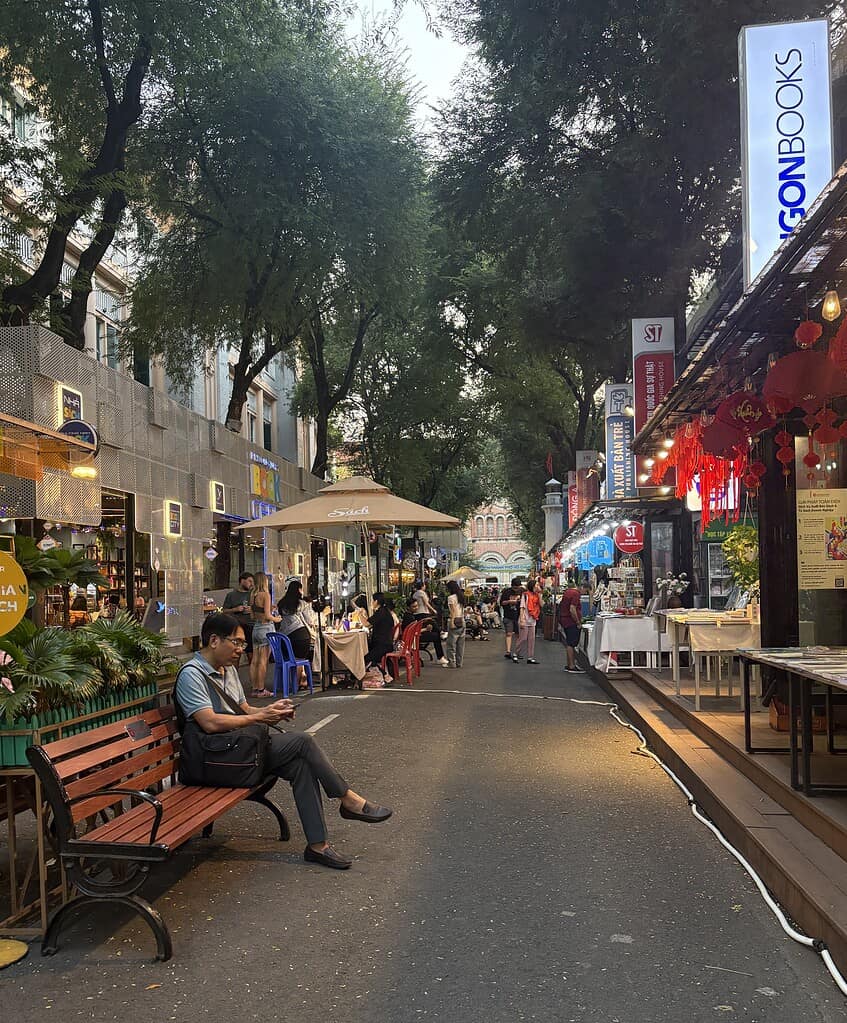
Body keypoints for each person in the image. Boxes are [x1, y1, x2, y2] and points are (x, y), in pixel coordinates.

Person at [175, 613, 391, 870]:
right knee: (301, 742)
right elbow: (209, 722)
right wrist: (261, 717)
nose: (241, 650)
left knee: (301, 765)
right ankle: (349, 800)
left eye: (243, 644)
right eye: (236, 642)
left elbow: (243, 709)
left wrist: (271, 711)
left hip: (237, 752)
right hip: (212, 760)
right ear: (213, 640)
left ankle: (317, 846)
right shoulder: (192, 674)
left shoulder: (228, 670)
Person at [277, 579, 313, 690]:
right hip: (301, 636)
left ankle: (301, 680)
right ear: (299, 589)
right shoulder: (302, 603)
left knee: (293, 658)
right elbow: (309, 620)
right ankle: (297, 684)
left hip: (283, 639)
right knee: (300, 659)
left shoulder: (281, 603)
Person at [248, 571, 275, 698]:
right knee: (263, 661)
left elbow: (252, 615)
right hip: (266, 628)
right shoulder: (266, 595)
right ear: (264, 581)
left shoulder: (253, 595)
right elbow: (268, 616)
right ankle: (261, 689)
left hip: (256, 628)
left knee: (254, 661)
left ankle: (254, 689)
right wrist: (277, 619)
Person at [403, 597, 448, 665]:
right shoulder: (408, 617)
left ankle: (441, 633)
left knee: (431, 622)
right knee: (436, 636)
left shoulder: (410, 615)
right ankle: (440, 657)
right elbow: (413, 631)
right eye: (414, 606)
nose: (416, 608)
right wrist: (425, 629)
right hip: (413, 638)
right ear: (408, 607)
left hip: (415, 635)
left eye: (417, 606)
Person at [222, 573, 255, 664]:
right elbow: (224, 611)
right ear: (242, 581)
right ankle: (235, 675)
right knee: (236, 653)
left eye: (252, 582)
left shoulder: (253, 594)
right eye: (249, 581)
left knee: (250, 652)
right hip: (237, 627)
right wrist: (235, 609)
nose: (251, 584)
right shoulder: (231, 595)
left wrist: (252, 609)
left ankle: (252, 676)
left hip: (250, 626)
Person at [367, 593, 397, 677]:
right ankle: (386, 673)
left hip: (382, 645)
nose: (371, 603)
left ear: (376, 601)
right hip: (386, 643)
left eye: (372, 601)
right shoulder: (385, 611)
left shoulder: (380, 613)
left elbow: (366, 624)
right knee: (367, 650)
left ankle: (383, 674)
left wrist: (359, 613)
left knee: (365, 658)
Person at [558, 581, 584, 673]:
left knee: (569, 642)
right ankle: (572, 666)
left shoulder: (568, 592)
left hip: (564, 619)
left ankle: (569, 664)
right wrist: (577, 622)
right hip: (570, 621)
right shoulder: (576, 594)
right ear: (583, 588)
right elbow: (572, 608)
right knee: (571, 643)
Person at [514, 578, 542, 664]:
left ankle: (530, 657)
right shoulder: (525, 595)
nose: (538, 586)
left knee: (531, 639)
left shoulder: (537, 595)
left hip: (533, 620)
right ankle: (516, 653)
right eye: (537, 585)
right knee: (522, 638)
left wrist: (540, 594)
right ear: (532, 586)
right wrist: (522, 619)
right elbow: (522, 607)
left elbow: (541, 604)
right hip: (525, 619)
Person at [445, 580, 466, 669]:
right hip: (462, 620)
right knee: (460, 644)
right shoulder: (461, 596)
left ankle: (451, 663)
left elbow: (453, 611)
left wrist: (452, 622)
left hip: (455, 620)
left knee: (451, 644)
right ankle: (459, 663)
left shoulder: (451, 598)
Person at [499, 578, 522, 659]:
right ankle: (508, 651)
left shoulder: (522, 591)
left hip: (519, 616)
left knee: (518, 635)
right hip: (508, 615)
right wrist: (509, 601)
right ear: (512, 586)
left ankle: (517, 652)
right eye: (514, 587)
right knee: (508, 634)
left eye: (517, 587)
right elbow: (501, 603)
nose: (516, 589)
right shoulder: (506, 592)